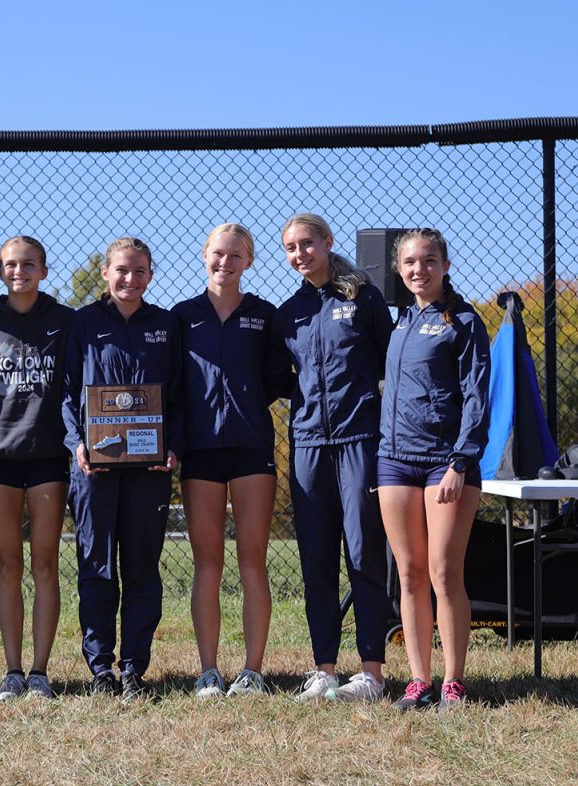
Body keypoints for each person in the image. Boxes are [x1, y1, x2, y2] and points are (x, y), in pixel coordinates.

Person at [272, 213, 394, 702]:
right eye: (290, 248)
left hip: (359, 439)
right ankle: (323, 668)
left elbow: (391, 364)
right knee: (315, 557)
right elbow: (283, 379)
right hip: (306, 444)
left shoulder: (363, 299)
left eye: (307, 244)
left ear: (327, 242)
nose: (300, 254)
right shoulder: (288, 313)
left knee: (364, 551)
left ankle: (371, 673)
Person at [62, 236, 182, 701]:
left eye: (139, 271)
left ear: (150, 275)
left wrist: (174, 446)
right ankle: (101, 670)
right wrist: (77, 443)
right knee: (96, 567)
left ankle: (134, 668)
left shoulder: (166, 325)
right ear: (106, 274)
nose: (129, 279)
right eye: (121, 271)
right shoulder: (84, 323)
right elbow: (68, 392)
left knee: (141, 567)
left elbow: (177, 397)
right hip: (95, 468)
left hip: (149, 470)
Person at [377, 228, 490, 711]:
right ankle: (418, 682)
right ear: (399, 271)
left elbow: (477, 397)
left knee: (445, 573)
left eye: (428, 261)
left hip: (447, 465)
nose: (418, 269)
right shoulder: (399, 322)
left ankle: (452, 683)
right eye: (409, 262)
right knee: (409, 573)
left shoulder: (464, 321)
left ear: (445, 266)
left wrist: (460, 462)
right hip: (394, 462)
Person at [173, 224, 287, 699]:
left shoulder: (264, 315)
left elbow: (280, 377)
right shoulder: (182, 317)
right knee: (208, 563)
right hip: (199, 453)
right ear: (204, 256)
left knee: (252, 562)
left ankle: (253, 671)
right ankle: (208, 670)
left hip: (251, 450)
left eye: (235, 255)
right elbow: (173, 388)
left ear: (249, 261)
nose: (225, 262)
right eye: (218, 254)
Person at [0, 236, 72, 701]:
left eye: (28, 264)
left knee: (45, 563)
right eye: (10, 264)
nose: (19, 271)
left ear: (44, 270)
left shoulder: (64, 321)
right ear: (0, 271)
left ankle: (40, 672)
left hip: (48, 455)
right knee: (8, 563)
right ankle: (12, 670)